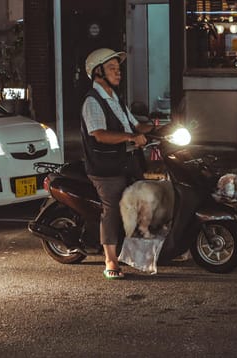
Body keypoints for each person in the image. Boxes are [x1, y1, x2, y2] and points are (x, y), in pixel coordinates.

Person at [80, 48, 156, 280]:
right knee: (112, 208)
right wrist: (131, 138)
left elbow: (135, 126)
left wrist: (160, 127)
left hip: (126, 163)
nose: (118, 72)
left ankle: (142, 253)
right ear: (97, 72)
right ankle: (110, 260)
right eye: (112, 68)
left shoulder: (116, 100)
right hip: (106, 168)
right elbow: (100, 134)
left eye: (118, 68)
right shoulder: (92, 102)